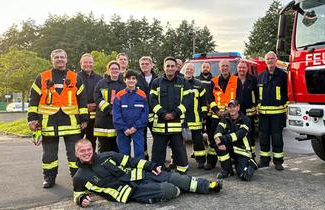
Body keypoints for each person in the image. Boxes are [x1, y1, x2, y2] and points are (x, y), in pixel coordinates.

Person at [72, 139, 222, 207]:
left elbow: (131, 161)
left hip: (140, 175)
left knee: (175, 178)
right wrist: (81, 200)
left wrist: (151, 166)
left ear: (92, 149)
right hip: (130, 192)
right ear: (77, 154)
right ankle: (178, 190)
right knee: (168, 189)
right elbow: (77, 194)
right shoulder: (79, 177)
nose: (86, 153)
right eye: (82, 151)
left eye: (88, 149)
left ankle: (207, 185)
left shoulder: (107, 155)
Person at [27, 49, 88, 188]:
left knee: (74, 154)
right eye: (56, 57)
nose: (59, 59)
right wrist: (32, 119)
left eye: (62, 57)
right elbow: (33, 100)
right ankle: (49, 178)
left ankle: (77, 177)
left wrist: (84, 118)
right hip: (49, 123)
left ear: (67, 59)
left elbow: (82, 99)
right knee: (49, 155)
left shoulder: (75, 77)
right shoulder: (42, 77)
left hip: (71, 123)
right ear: (52, 59)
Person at [150, 57, 191, 173]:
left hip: (176, 125)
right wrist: (163, 114)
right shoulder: (156, 82)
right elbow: (152, 101)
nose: (170, 68)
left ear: (176, 68)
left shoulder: (183, 82)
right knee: (158, 152)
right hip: (160, 126)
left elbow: (187, 100)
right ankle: (157, 173)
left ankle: (182, 173)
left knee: (179, 151)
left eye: (172, 66)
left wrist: (175, 113)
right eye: (167, 66)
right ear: (164, 67)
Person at [205, 59, 240, 170]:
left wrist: (229, 111)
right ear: (219, 68)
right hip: (216, 117)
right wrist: (217, 111)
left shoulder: (236, 80)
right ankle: (211, 162)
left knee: (230, 139)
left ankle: (232, 160)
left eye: (226, 66)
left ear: (229, 68)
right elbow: (210, 98)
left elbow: (239, 97)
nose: (224, 68)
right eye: (222, 66)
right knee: (213, 139)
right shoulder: (214, 81)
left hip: (231, 117)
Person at [257, 51, 288, 170]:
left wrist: (286, 108)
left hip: (277, 114)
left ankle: (278, 161)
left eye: (272, 58)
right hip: (263, 114)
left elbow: (287, 93)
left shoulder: (282, 75)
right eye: (268, 59)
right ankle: (264, 160)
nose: (270, 61)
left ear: (276, 60)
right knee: (263, 137)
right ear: (265, 61)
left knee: (277, 138)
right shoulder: (260, 76)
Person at [213, 99, 257, 180]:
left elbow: (239, 134)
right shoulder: (225, 119)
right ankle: (228, 170)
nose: (232, 109)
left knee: (244, 176)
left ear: (238, 108)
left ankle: (251, 162)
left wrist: (222, 139)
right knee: (217, 145)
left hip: (242, 150)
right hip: (232, 148)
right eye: (230, 107)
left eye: (234, 107)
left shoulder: (246, 120)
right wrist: (219, 142)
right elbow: (218, 130)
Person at [113, 70, 148, 159]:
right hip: (122, 130)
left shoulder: (142, 94)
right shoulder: (119, 95)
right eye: (128, 78)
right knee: (124, 155)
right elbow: (116, 114)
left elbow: (145, 113)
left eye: (133, 78)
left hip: (137, 129)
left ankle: (140, 171)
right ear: (125, 80)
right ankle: (126, 171)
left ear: (136, 81)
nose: (131, 80)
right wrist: (124, 128)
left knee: (139, 153)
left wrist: (135, 127)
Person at [93, 61, 125, 153]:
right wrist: (109, 110)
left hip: (119, 120)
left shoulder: (124, 84)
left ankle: (116, 167)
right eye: (112, 69)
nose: (114, 70)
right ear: (108, 70)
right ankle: (103, 167)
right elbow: (97, 97)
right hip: (104, 121)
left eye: (116, 69)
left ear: (120, 70)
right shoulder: (101, 83)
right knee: (104, 149)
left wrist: (118, 112)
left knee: (118, 149)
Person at [183, 63, 208, 168]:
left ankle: (201, 161)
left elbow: (203, 102)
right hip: (181, 118)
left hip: (195, 118)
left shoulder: (199, 84)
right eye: (187, 69)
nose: (189, 71)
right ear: (184, 70)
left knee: (198, 141)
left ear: (194, 71)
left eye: (191, 69)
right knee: (179, 142)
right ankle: (181, 161)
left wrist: (204, 115)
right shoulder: (179, 83)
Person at [77, 53, 102, 150]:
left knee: (92, 142)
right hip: (79, 117)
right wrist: (85, 106)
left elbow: (102, 96)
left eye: (90, 62)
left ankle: (90, 163)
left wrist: (96, 104)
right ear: (81, 63)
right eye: (85, 62)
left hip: (94, 118)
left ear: (93, 64)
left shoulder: (99, 79)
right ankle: (78, 164)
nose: (88, 64)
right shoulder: (74, 78)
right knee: (77, 142)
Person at [236, 60, 259, 158]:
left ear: (247, 69)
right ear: (237, 69)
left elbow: (257, 94)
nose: (242, 69)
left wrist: (257, 105)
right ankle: (238, 154)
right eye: (240, 67)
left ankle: (251, 153)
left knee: (250, 132)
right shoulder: (233, 78)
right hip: (237, 112)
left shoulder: (253, 79)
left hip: (250, 112)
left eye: (244, 67)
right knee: (237, 132)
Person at [136, 56, 158, 160]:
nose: (144, 66)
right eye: (142, 64)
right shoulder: (136, 79)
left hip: (155, 114)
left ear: (152, 65)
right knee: (141, 139)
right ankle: (145, 160)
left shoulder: (158, 79)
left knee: (157, 138)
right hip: (140, 115)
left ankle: (156, 160)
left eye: (147, 63)